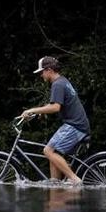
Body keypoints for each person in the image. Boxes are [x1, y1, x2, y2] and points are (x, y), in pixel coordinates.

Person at [21, 56, 90, 185]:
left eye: (41, 72)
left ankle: (75, 180)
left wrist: (31, 110)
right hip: (76, 124)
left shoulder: (57, 84)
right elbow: (57, 105)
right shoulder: (62, 81)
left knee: (48, 151)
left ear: (49, 70)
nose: (41, 75)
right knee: (53, 152)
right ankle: (55, 185)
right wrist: (41, 112)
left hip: (75, 126)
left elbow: (55, 107)